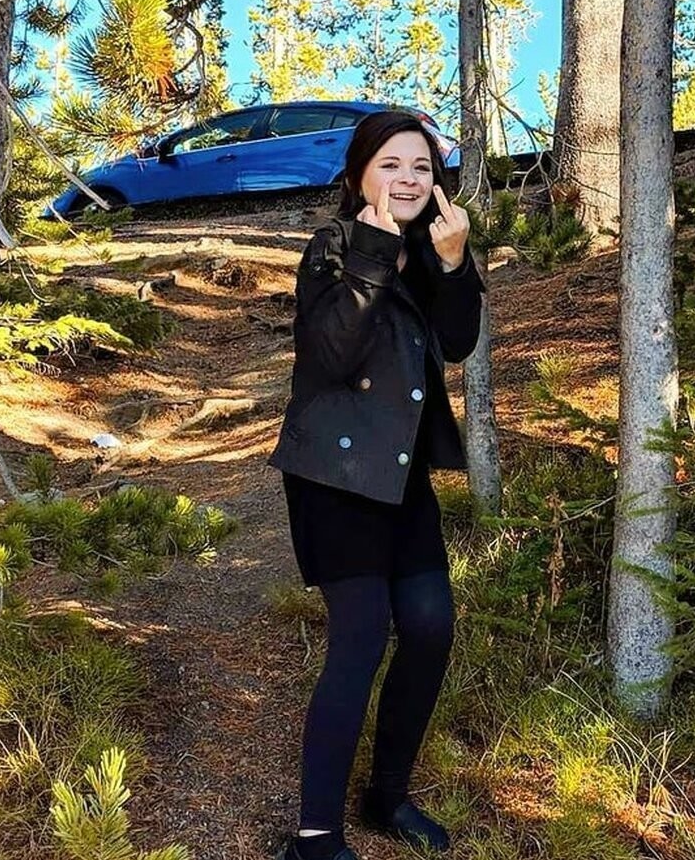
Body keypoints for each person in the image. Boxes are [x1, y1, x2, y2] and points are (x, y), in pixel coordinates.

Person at [268, 110, 484, 860]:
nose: (408, 179)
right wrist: (374, 253)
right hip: (334, 476)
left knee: (429, 627)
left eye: (421, 166)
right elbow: (330, 354)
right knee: (359, 639)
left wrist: (454, 264)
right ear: (360, 174)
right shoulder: (331, 246)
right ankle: (315, 838)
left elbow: (457, 342)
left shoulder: (432, 246)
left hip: (401, 476)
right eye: (391, 164)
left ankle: (387, 795)